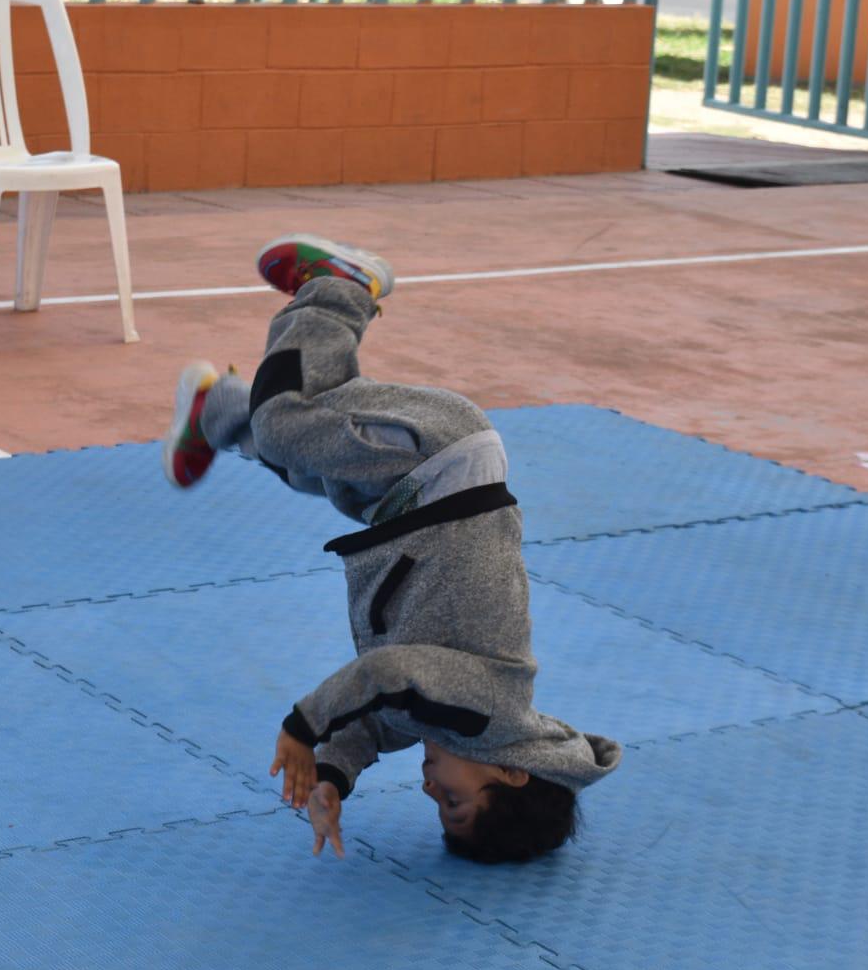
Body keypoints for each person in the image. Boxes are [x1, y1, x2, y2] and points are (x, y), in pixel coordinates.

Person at [162, 236, 621, 864]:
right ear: (512, 773)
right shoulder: (487, 710)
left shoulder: (447, 722)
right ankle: (341, 286)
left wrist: (332, 777)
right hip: (442, 460)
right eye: (453, 802)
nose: (431, 789)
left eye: (437, 807)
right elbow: (386, 674)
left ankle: (214, 411)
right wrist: (302, 729)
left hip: (401, 502)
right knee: (289, 422)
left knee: (308, 459)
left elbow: (379, 722)